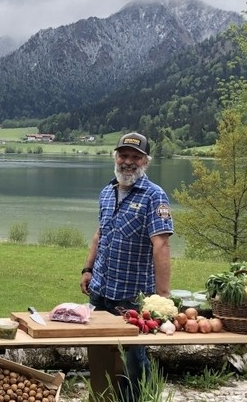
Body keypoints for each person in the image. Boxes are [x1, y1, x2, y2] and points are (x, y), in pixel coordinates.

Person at [79, 132, 173, 402]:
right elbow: (100, 233)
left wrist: (163, 297)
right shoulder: (107, 192)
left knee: (133, 363)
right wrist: (88, 269)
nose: (128, 162)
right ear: (115, 157)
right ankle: (102, 398)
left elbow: (161, 246)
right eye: (123, 155)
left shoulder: (155, 196)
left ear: (146, 161)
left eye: (136, 157)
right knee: (99, 356)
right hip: (100, 291)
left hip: (132, 298)